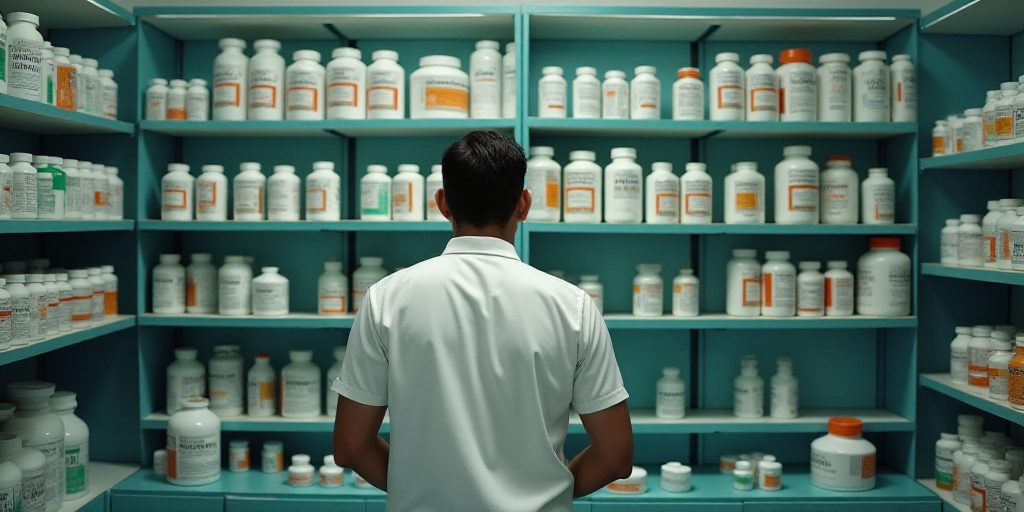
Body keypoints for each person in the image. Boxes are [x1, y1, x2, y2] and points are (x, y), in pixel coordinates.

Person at [332, 131, 632, 512]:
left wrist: (418, 489)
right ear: (524, 204)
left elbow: (350, 447)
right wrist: (548, 492)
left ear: (442, 203)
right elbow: (616, 456)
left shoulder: (385, 300)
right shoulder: (572, 307)